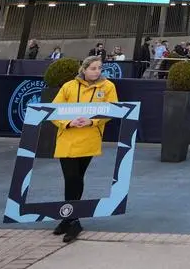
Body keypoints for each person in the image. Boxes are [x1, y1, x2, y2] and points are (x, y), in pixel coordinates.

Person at [52, 56, 119, 242]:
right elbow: (53, 110)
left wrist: (93, 120)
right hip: (67, 139)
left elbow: (112, 110)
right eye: (93, 68)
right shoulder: (68, 87)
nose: (96, 71)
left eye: (99, 68)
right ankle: (72, 219)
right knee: (71, 178)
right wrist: (68, 122)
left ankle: (69, 218)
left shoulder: (108, 87)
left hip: (89, 139)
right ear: (84, 69)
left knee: (77, 179)